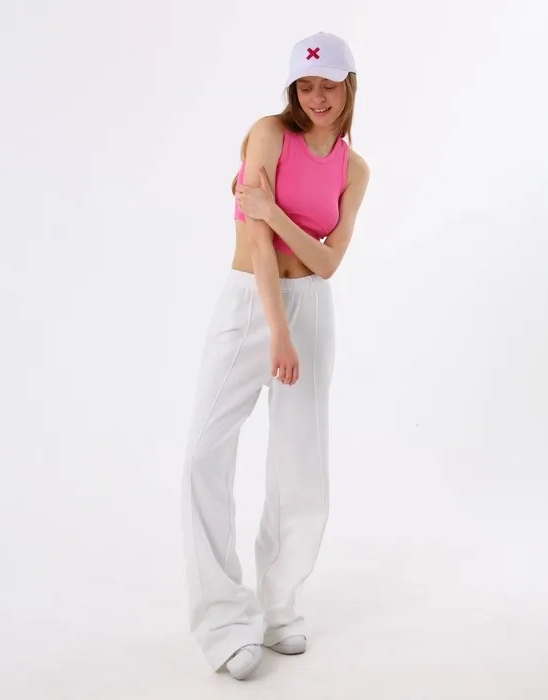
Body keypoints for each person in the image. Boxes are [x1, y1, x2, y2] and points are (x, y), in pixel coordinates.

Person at [180, 31, 370, 680]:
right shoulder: (266, 134)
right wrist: (276, 330)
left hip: (311, 306)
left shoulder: (355, 169)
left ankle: (279, 607)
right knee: (203, 454)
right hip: (248, 305)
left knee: (301, 468)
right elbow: (257, 241)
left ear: (348, 86)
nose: (317, 97)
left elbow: (328, 260)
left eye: (329, 85)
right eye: (305, 85)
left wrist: (276, 212)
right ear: (293, 88)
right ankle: (223, 622)